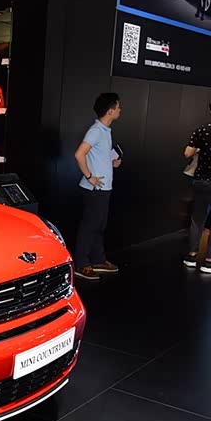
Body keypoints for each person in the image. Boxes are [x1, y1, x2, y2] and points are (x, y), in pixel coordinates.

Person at [73, 93, 123, 280]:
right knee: (90, 226)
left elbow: (97, 155)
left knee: (99, 225)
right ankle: (82, 264)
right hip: (94, 189)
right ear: (110, 111)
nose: (120, 110)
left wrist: (111, 163)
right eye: (118, 107)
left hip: (104, 188)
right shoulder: (96, 130)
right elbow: (79, 154)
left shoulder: (105, 130)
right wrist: (89, 177)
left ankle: (98, 259)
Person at [183, 93, 211, 275]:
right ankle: (210, 261)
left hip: (200, 180)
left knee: (197, 219)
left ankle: (191, 256)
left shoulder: (202, 129)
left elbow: (187, 153)